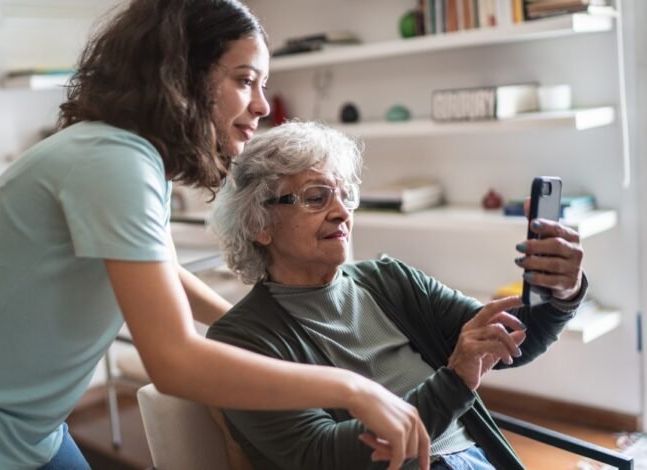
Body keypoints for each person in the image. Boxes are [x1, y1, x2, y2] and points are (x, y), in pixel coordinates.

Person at [0, 1, 431, 469]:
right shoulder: (113, 159)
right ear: (185, 75)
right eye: (244, 81)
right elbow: (173, 361)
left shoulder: (135, 161)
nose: (261, 105)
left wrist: (256, 326)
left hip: (24, 428)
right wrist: (352, 387)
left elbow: (162, 271)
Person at [206, 121, 586, 470]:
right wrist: (453, 382)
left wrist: (562, 291)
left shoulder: (390, 280)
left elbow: (510, 341)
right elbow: (323, 455)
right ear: (260, 223)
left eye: (344, 194)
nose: (341, 211)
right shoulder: (239, 342)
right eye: (316, 197)